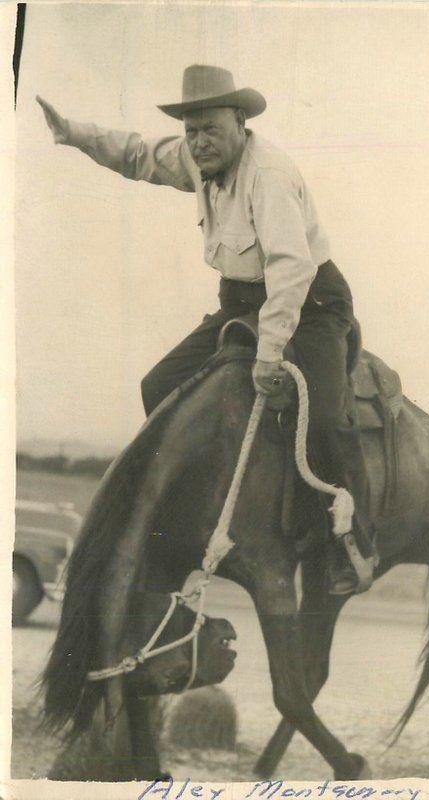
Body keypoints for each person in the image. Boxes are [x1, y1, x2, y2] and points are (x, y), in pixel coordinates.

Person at [37, 63, 377, 594]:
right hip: (240, 300)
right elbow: (137, 155)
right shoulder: (198, 159)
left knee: (326, 420)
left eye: (210, 129)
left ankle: (345, 541)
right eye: (191, 131)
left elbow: (291, 268)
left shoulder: (270, 176)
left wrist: (270, 352)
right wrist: (75, 134)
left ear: (240, 122)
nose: (198, 143)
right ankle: (198, 507)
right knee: (158, 386)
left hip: (308, 303)